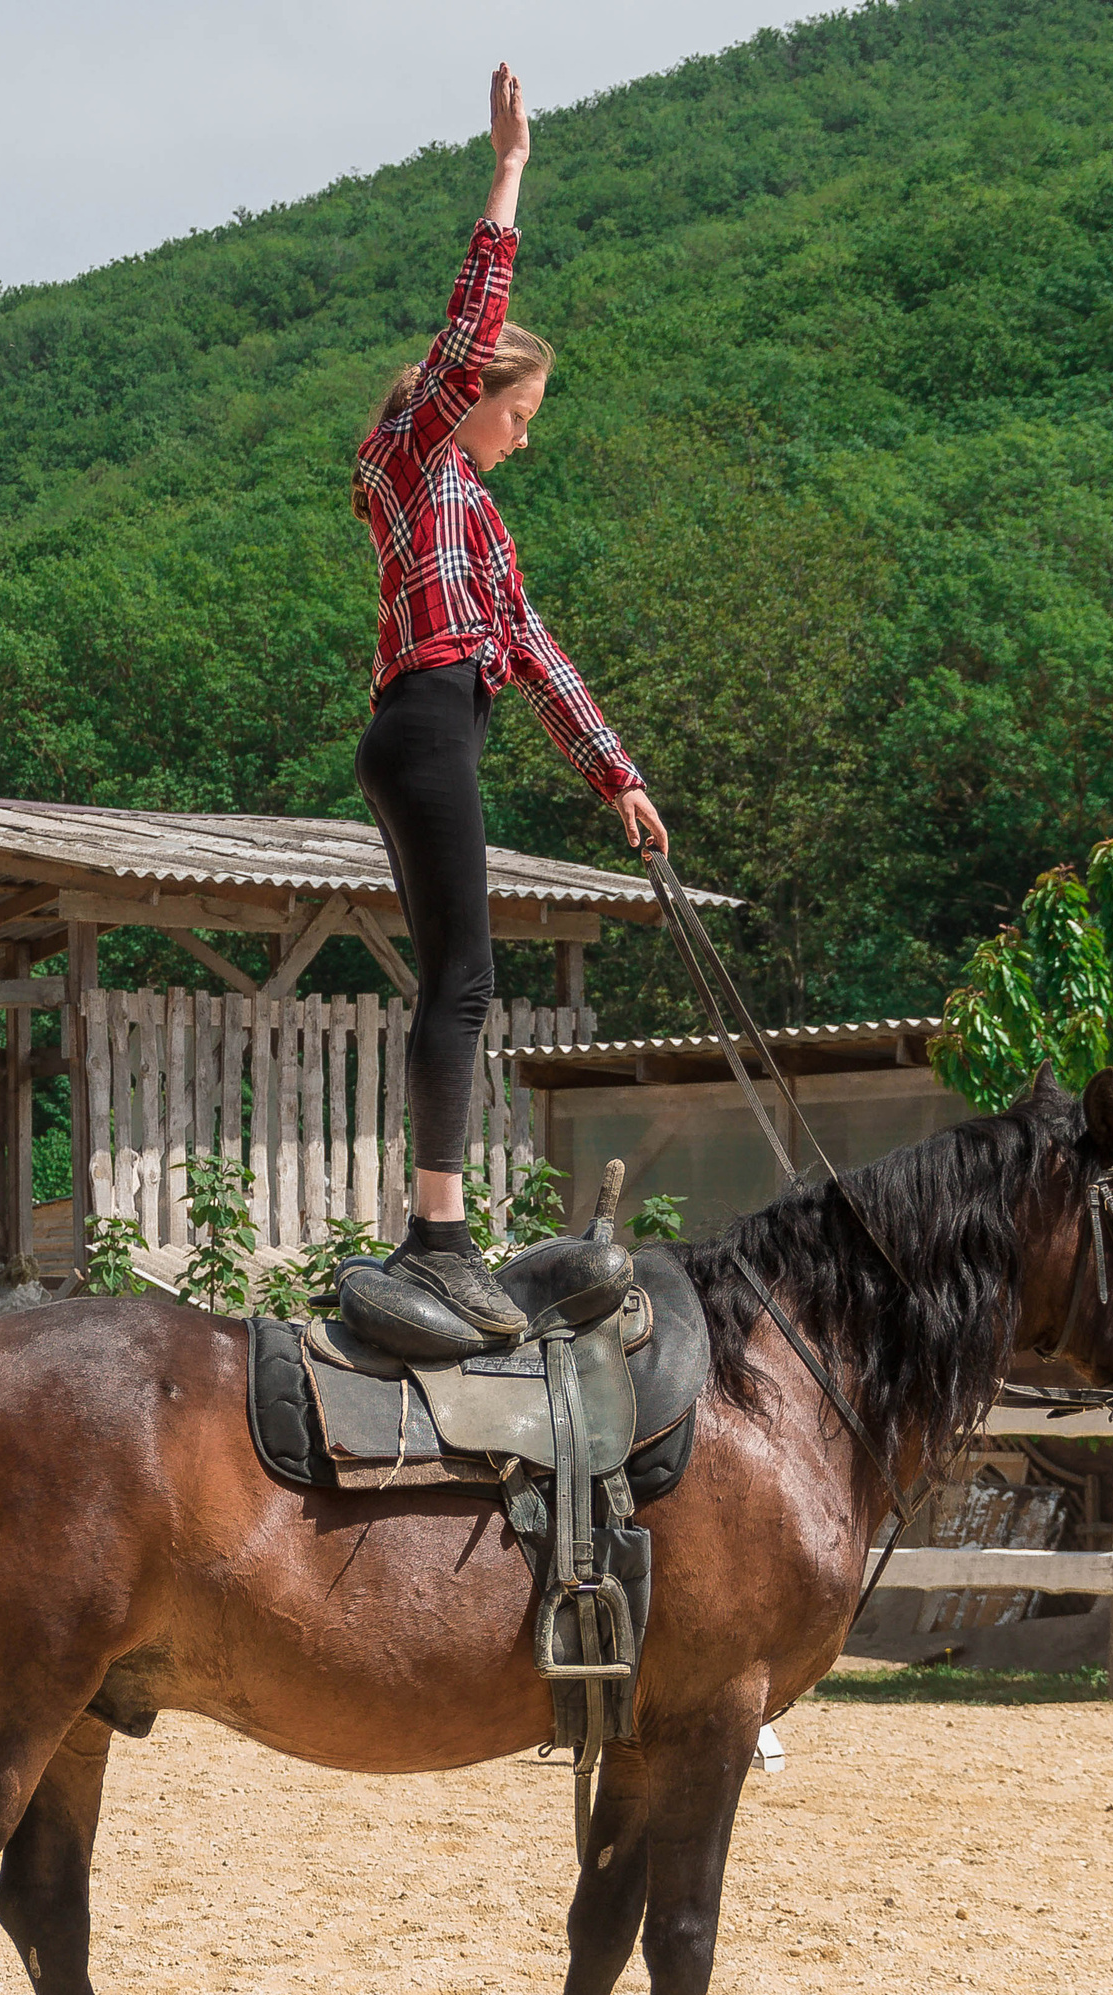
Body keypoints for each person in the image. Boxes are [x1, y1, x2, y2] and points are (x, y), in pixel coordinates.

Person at [351, 61, 667, 1340]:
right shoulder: (415, 456)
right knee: (466, 984)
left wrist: (618, 776)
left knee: (456, 980)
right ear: (473, 395)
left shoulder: (477, 514)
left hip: (446, 719)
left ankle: (438, 1231)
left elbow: (531, 646)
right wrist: (511, 169)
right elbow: (473, 319)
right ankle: (437, 1239)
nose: (523, 434)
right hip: (424, 719)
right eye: (519, 412)